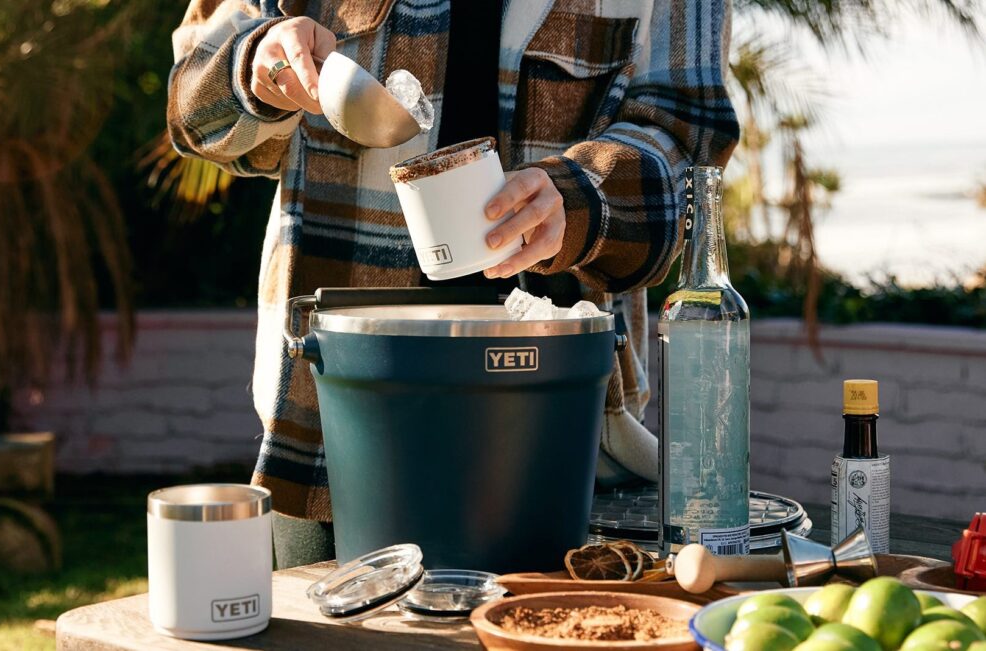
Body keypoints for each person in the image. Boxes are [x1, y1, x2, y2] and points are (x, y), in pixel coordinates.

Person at [168, 0, 739, 568]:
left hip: (565, 426)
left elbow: (689, 134)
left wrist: (581, 197)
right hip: (328, 424)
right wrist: (255, 65)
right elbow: (192, 102)